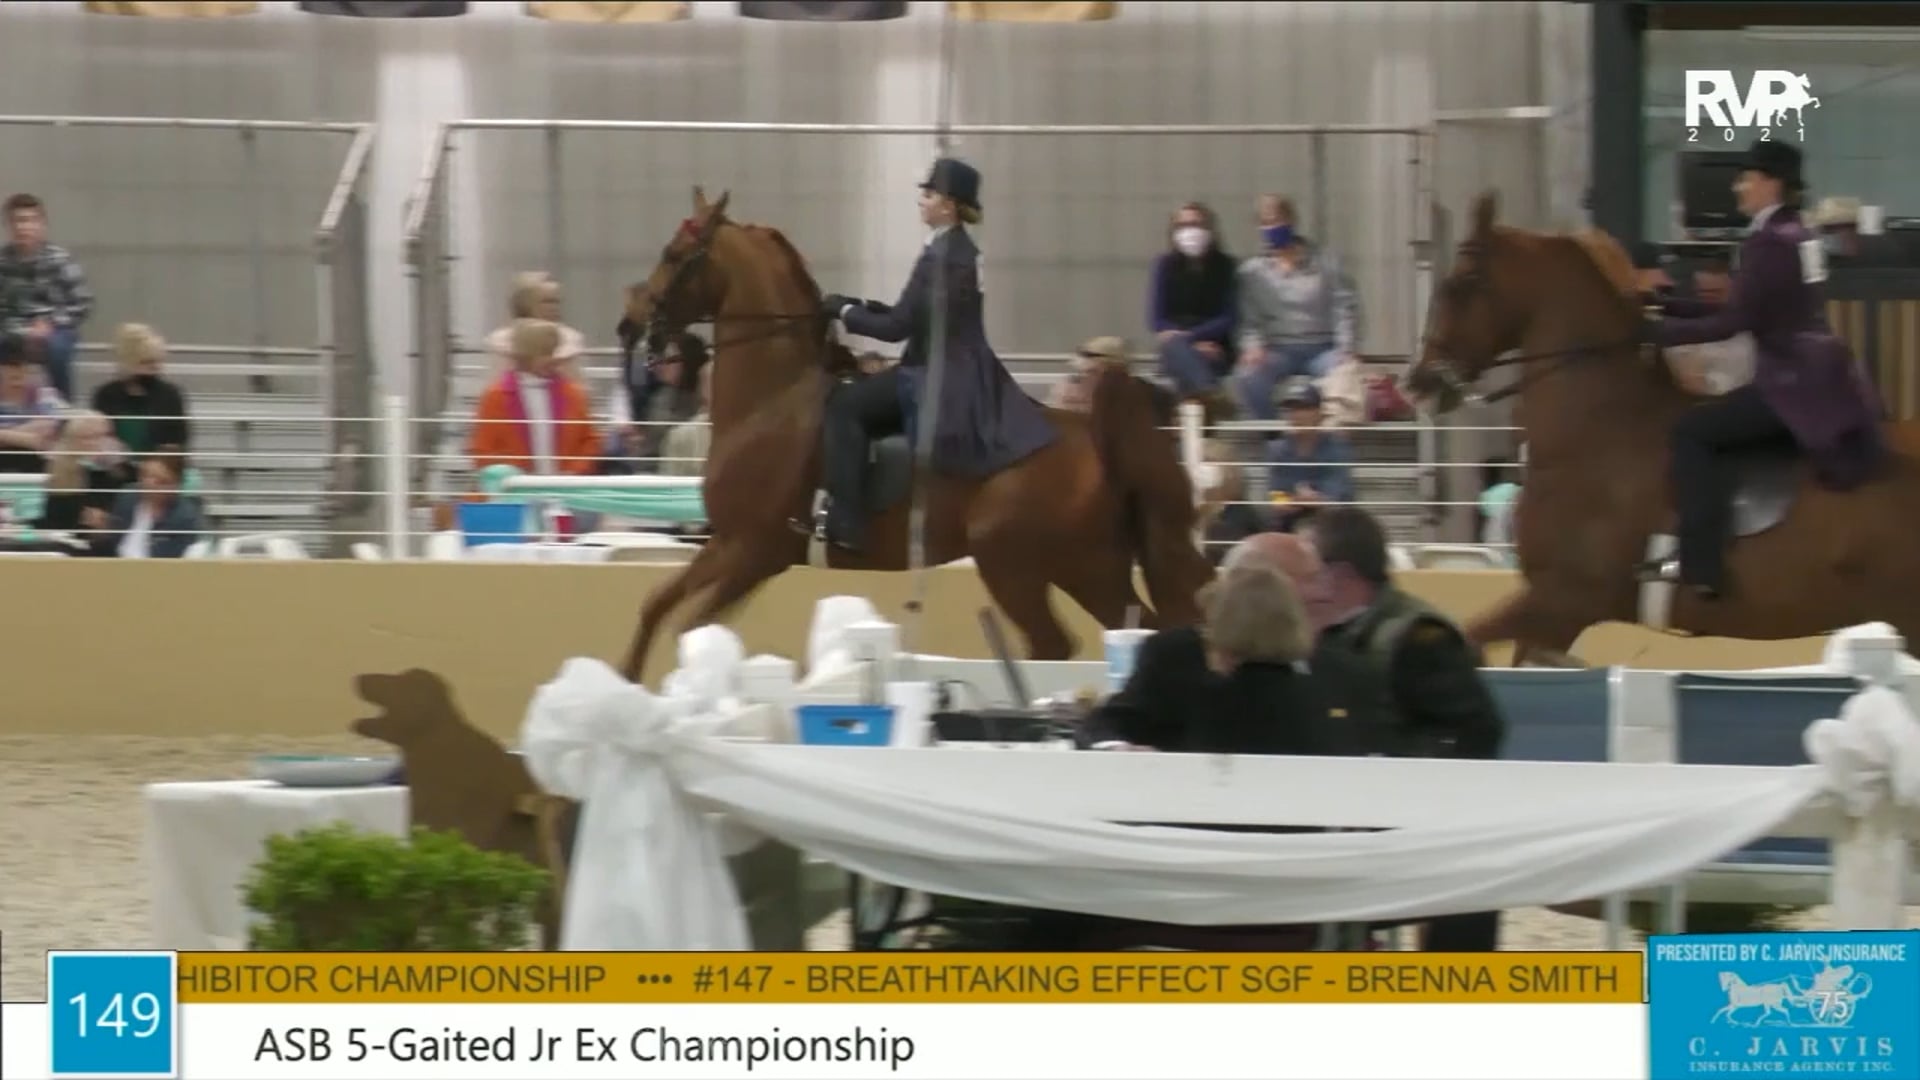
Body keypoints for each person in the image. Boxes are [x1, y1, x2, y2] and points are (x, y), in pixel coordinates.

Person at [1641, 140, 1884, 599]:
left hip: (1792, 383)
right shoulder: (1799, 234)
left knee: (1691, 432)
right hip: (1822, 374)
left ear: (1770, 183)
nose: (1738, 187)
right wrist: (1667, 306)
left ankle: (1700, 564)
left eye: (1746, 178)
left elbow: (1735, 322)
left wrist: (1658, 333)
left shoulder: (1768, 241)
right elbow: (1749, 308)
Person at [811, 157, 1054, 552]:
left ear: (949, 205)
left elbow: (897, 328)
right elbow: (912, 314)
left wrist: (843, 312)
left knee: (844, 406)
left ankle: (847, 520)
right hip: (958, 366)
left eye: (929, 194)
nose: (921, 200)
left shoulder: (943, 257)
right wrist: (859, 303)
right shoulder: (955, 249)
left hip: (939, 376)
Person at [1301, 505, 1505, 951]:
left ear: (1339, 575)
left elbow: (1474, 733)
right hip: (1315, 814)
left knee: (1473, 870)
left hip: (1399, 820)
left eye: (1306, 569)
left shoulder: (1418, 639)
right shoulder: (1307, 631)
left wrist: (1390, 775)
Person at [1232, 194, 1361, 422]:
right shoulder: (1252, 272)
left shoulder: (1326, 262)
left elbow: (1344, 306)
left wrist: (1346, 348)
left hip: (1323, 347)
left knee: (1345, 374)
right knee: (1248, 376)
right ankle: (1274, 435)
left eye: (1276, 220)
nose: (1271, 227)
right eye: (1265, 223)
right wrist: (1252, 347)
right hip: (1278, 349)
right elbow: (1249, 319)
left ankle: (1329, 438)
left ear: (1291, 220)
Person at [468, 318, 599, 476]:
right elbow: (482, 449)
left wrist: (574, 472)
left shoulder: (573, 394)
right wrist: (511, 478)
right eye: (544, 353)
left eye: (553, 351)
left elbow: (589, 442)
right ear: (525, 355)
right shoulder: (495, 397)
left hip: (566, 486)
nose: (552, 358)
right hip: (514, 487)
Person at [0, 193, 93, 402]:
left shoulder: (61, 259)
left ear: (42, 224)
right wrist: (23, 332)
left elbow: (83, 303)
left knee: (57, 350)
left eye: (29, 220)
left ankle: (63, 409)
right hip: (12, 327)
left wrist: (51, 323)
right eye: (16, 221)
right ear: (8, 226)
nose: (23, 227)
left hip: (55, 328)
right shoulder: (2, 262)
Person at [1148, 202, 1237, 401]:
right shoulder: (1164, 265)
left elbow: (1229, 316)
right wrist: (1189, 344)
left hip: (1216, 346)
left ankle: (1203, 403)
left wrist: (1191, 338)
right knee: (1176, 351)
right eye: (1183, 225)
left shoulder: (1226, 266)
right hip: (1176, 345)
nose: (1190, 231)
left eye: (1196, 224)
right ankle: (1212, 396)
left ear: (1209, 228)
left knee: (1184, 370)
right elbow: (1156, 319)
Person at [1266, 378, 1355, 532]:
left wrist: (1317, 500)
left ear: (1319, 413)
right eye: (1291, 409)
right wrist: (1285, 502)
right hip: (1289, 522)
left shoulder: (1337, 447)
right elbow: (1276, 492)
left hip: (1330, 523)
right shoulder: (1278, 450)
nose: (1296, 415)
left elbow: (1340, 495)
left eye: (1304, 408)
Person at [89, 323, 192, 455]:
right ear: (128, 362)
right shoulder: (105, 395)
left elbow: (177, 444)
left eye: (158, 361)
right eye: (147, 362)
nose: (156, 368)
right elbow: (98, 442)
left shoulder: (170, 395)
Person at [100, 449, 204, 560]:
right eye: (145, 476)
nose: (149, 484)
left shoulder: (184, 518)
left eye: (160, 481)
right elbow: (111, 539)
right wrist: (103, 527)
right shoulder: (128, 497)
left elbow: (170, 559)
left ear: (175, 485)